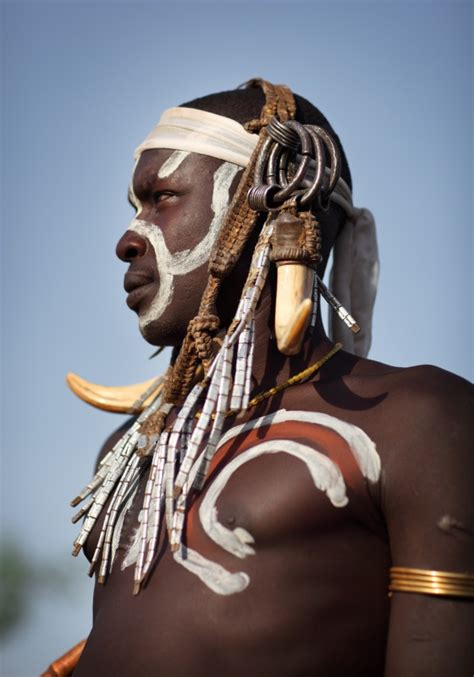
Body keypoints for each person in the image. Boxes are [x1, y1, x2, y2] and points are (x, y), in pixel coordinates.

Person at [46, 80, 473, 676]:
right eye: (134, 209)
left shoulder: (418, 419)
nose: (127, 240)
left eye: (162, 196)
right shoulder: (134, 453)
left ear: (277, 203)